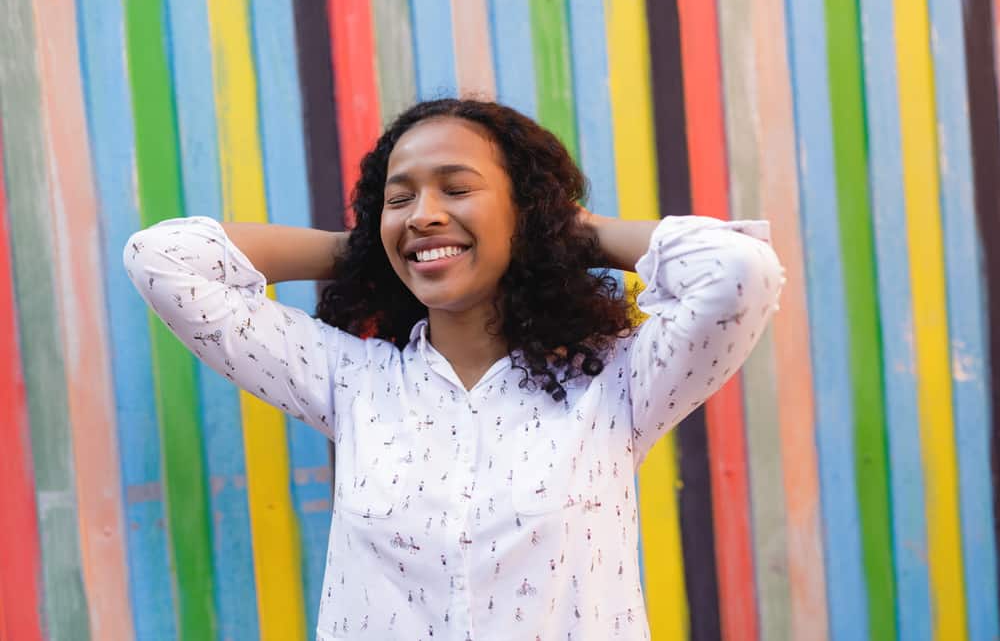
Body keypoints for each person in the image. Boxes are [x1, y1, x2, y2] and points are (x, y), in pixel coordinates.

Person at [124, 98, 784, 641]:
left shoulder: (617, 385)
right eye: (399, 198)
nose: (424, 213)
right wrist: (362, 252)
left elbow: (739, 272)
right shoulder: (352, 380)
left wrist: (575, 233)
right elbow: (162, 259)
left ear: (526, 212)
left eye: (456, 188)